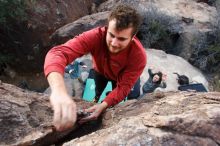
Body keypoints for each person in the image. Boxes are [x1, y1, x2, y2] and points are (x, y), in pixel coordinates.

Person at [44, 4, 147, 131]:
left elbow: (124, 86)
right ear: (107, 27)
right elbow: (58, 53)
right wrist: (58, 91)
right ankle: (97, 99)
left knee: (125, 94)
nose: (114, 43)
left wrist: (104, 105)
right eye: (112, 35)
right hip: (100, 72)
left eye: (121, 39)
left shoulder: (138, 56)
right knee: (99, 91)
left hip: (120, 78)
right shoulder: (96, 36)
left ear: (133, 37)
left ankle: (105, 103)